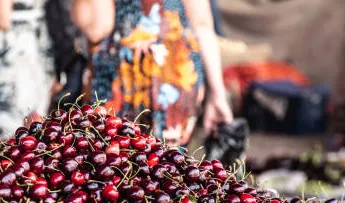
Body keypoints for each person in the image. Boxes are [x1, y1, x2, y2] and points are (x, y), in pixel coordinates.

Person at [72, 0, 233, 147]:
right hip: (155, 86)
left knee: (121, 168)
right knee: (157, 169)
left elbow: (96, 28)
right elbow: (202, 25)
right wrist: (217, 93)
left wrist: (218, 94)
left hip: (164, 86)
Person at [0, 0, 55, 139]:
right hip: (37, 44)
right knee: (35, 131)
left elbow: (0, 17)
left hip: (14, 50)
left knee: (13, 134)